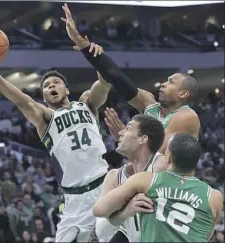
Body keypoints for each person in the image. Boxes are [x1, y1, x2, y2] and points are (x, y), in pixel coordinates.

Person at [0, 38, 111, 243]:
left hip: (104, 185)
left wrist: (97, 58)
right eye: (46, 85)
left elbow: (104, 83)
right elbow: (21, 100)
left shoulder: (87, 103)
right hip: (75, 199)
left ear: (67, 90)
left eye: (56, 83)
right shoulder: (46, 119)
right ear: (44, 96)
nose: (51, 85)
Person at [61, 3, 200, 160]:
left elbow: (160, 154)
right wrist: (86, 47)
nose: (163, 84)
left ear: (183, 93)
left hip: (171, 182)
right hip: (150, 179)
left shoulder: (186, 116)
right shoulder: (150, 105)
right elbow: (117, 77)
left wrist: (126, 138)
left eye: (171, 82)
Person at [93, 133, 223, 242]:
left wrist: (127, 209)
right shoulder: (214, 196)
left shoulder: (146, 180)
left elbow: (99, 210)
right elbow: (206, 234)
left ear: (169, 157)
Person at [95, 114, 165, 242]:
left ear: (142, 139)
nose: (119, 133)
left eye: (127, 128)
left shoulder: (162, 166)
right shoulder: (114, 176)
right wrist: (126, 211)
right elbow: (101, 231)